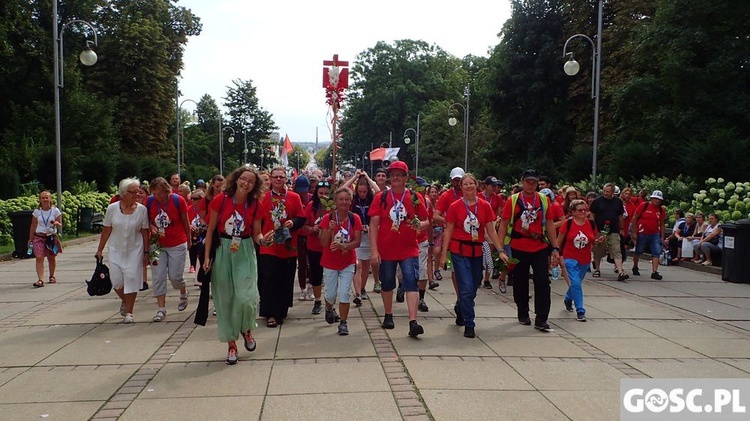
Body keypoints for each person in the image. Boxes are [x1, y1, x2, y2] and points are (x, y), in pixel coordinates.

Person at [203, 166, 270, 365]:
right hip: (222, 249)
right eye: (243, 179)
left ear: (255, 185)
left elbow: (257, 233)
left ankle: (247, 328)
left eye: (251, 181)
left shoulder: (256, 204)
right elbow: (210, 230)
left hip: (244, 249)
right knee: (225, 300)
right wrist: (207, 257)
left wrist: (263, 240)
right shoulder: (220, 200)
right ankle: (232, 345)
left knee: (246, 297)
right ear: (236, 179)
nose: (246, 183)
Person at [369, 160, 429, 337]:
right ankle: (388, 314)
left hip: (409, 249)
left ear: (405, 178)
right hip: (387, 249)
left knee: (411, 281)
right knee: (387, 282)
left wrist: (420, 225)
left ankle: (413, 321)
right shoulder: (381, 198)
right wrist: (374, 251)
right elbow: (373, 225)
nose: (395, 177)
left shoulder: (414, 197)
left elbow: (426, 221)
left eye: (399, 174)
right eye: (392, 174)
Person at [440, 173, 505, 337]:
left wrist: (501, 250)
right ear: (461, 187)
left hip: (477, 250)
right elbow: (448, 230)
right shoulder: (455, 206)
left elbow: (490, 230)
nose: (468, 186)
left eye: (471, 184)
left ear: (477, 186)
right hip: (459, 250)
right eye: (465, 184)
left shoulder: (484, 206)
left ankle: (462, 306)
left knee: (474, 286)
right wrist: (443, 255)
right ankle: (470, 323)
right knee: (466, 287)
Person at [497, 169, 559, 332]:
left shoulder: (544, 200)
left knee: (542, 281)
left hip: (539, 246)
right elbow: (503, 224)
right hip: (518, 246)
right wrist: (500, 248)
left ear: (537, 183)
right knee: (520, 281)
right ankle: (523, 312)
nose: (530, 185)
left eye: (534, 182)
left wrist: (555, 248)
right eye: (528, 182)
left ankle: (541, 317)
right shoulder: (513, 200)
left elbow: (551, 224)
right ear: (522, 182)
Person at [95, 178, 149, 323]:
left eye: (138, 192)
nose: (137, 195)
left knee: (131, 278)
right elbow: (106, 230)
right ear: (124, 193)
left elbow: (145, 232)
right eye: (134, 192)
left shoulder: (142, 210)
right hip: (115, 250)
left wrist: (146, 253)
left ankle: (129, 313)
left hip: (135, 250)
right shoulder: (112, 208)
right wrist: (99, 249)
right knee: (116, 281)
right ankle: (126, 301)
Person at [258, 167, 305, 327]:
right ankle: (270, 313)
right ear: (270, 179)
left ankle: (281, 311)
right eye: (276, 177)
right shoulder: (263, 198)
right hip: (269, 246)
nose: (278, 180)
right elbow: (257, 221)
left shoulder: (294, 197)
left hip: (288, 246)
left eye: (282, 177)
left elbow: (301, 218)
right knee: (269, 279)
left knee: (285, 279)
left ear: (286, 179)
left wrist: (294, 222)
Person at [146, 177, 192, 321]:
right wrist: (152, 226)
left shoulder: (178, 200)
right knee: (158, 276)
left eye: (160, 193)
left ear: (167, 191)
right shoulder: (149, 201)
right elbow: (146, 218)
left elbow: (186, 221)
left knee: (175, 277)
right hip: (157, 244)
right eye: (155, 193)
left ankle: (183, 291)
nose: (158, 197)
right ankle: (161, 308)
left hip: (177, 243)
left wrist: (189, 240)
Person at [319, 187, 363, 335]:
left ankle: (343, 323)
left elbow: (357, 242)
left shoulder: (354, 218)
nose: (344, 202)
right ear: (335, 201)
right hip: (330, 261)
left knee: (344, 292)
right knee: (331, 294)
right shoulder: (328, 218)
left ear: (350, 201)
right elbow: (324, 243)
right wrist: (329, 230)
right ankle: (329, 308)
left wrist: (344, 246)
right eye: (341, 199)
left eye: (347, 199)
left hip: (347, 261)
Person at [556, 199, 598, 322]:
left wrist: (598, 242)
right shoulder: (568, 224)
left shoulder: (591, 224)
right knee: (575, 282)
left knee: (576, 282)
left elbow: (593, 239)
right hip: (570, 258)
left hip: (584, 259)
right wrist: (556, 256)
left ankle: (568, 298)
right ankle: (580, 310)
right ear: (573, 212)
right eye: (580, 210)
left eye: (585, 209)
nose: (583, 212)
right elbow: (558, 242)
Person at [345, 171, 381, 300]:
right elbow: (342, 189)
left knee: (366, 265)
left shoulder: (372, 198)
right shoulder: (353, 200)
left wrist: (367, 178)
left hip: (369, 235)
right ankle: (358, 293)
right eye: (360, 192)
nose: (362, 194)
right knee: (357, 264)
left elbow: (379, 191)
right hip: (356, 234)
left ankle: (362, 288)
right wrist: (354, 177)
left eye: (364, 192)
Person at [302, 179, 332, 314]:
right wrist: (311, 229)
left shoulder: (333, 207)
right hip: (314, 246)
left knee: (332, 275)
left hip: (331, 246)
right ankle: (318, 300)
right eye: (321, 193)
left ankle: (330, 302)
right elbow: (304, 225)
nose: (323, 196)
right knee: (316, 274)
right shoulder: (311, 206)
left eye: (326, 193)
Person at [589, 183, 628, 281]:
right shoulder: (597, 201)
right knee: (598, 250)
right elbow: (592, 214)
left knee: (616, 250)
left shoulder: (618, 202)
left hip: (614, 230)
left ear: (612, 192)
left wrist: (622, 228)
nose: (605, 193)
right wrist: (593, 227)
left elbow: (620, 216)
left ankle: (620, 271)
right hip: (599, 230)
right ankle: (597, 269)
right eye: (604, 191)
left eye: (608, 191)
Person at [28, 191, 63, 288]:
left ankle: (52, 276)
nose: (45, 199)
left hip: (51, 237)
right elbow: (33, 225)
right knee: (39, 257)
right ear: (40, 200)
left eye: (47, 197)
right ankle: (40, 280)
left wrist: (56, 223)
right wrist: (30, 238)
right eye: (43, 198)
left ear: (50, 199)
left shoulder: (55, 211)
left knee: (51, 257)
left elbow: (60, 223)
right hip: (39, 237)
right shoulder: (37, 212)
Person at [630, 190, 667, 280]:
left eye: (659, 199)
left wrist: (662, 236)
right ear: (651, 198)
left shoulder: (661, 210)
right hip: (642, 232)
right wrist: (634, 232)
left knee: (656, 251)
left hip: (654, 233)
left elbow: (662, 223)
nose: (657, 201)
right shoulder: (644, 205)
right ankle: (635, 266)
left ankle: (654, 271)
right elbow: (634, 218)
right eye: (655, 199)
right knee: (639, 250)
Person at [480, 176, 503, 289]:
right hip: (480, 224)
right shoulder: (479, 196)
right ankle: (479, 273)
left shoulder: (497, 198)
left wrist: (498, 220)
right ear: (486, 186)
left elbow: (499, 212)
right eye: (492, 186)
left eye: (495, 186)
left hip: (492, 223)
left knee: (490, 250)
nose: (494, 188)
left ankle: (487, 278)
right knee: (480, 251)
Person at [293, 175, 313, 301]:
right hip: (299, 235)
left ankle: (311, 286)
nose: (302, 193)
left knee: (311, 263)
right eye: (300, 190)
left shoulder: (312, 200)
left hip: (311, 235)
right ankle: (302, 288)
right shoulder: (295, 199)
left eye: (304, 190)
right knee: (302, 263)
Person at [188, 189, 206, 276]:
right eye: (191, 198)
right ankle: (192, 264)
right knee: (192, 250)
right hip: (193, 233)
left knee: (201, 251)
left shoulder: (205, 208)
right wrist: (189, 225)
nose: (192, 200)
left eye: (195, 198)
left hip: (202, 234)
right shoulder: (190, 208)